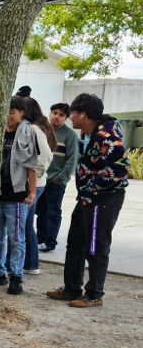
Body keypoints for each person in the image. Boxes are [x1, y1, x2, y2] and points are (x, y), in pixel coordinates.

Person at [47, 93, 128, 308]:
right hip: (87, 198)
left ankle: (94, 294)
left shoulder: (107, 136)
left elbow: (120, 168)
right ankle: (72, 287)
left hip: (103, 199)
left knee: (95, 246)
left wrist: (92, 187)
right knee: (75, 242)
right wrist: (85, 189)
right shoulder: (87, 133)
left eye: (73, 113)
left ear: (83, 114)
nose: (70, 117)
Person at [0, 96, 37, 295]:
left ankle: (16, 277)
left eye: (12, 112)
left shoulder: (27, 133)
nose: (8, 116)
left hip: (17, 195)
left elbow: (31, 165)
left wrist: (33, 191)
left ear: (21, 113)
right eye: (6, 111)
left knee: (16, 238)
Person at [37, 103, 80, 253]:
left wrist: (60, 178)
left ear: (66, 118)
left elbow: (72, 160)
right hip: (40, 178)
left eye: (61, 115)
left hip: (55, 181)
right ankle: (40, 239)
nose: (56, 117)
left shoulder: (70, 135)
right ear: (49, 113)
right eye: (54, 113)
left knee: (52, 211)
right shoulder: (42, 131)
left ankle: (49, 241)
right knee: (40, 211)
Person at [22, 96, 54, 275]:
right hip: (35, 183)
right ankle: (30, 264)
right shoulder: (33, 128)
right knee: (26, 225)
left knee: (25, 226)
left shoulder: (34, 129)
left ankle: (31, 264)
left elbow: (45, 156)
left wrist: (33, 177)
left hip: (34, 185)